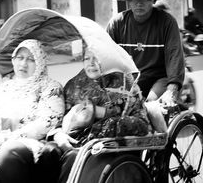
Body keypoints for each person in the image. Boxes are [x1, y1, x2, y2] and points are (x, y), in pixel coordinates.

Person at [47, 38, 151, 183]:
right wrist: (58, 135)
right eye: (86, 58)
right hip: (74, 144)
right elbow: (57, 120)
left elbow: (142, 124)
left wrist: (103, 117)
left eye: (96, 58)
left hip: (112, 150)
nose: (91, 63)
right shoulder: (73, 85)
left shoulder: (126, 84)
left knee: (78, 160)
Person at [0, 39, 65, 183]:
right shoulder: (6, 87)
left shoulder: (50, 87)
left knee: (9, 151)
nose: (23, 64)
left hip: (30, 144)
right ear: (13, 60)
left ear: (40, 62)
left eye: (31, 59)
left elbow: (47, 122)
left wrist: (8, 138)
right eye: (20, 58)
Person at [106, 0, 185, 105]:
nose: (139, 3)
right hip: (129, 79)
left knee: (151, 103)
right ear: (128, 0)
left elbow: (174, 55)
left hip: (159, 78)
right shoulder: (117, 23)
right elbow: (106, 55)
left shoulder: (166, 22)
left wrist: (173, 88)